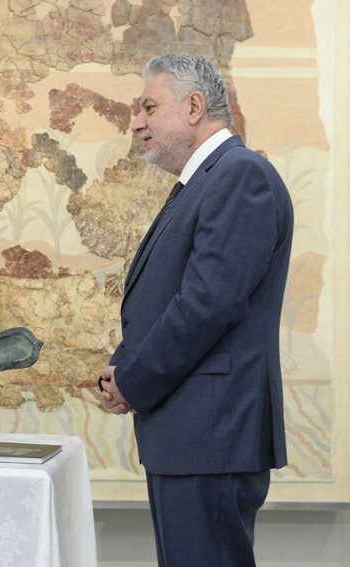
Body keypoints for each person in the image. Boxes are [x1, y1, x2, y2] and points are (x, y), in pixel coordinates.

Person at [99, 53, 293, 566]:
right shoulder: (207, 178)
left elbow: (208, 305)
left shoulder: (239, 175)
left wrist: (134, 380)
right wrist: (124, 367)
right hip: (192, 434)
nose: (135, 122)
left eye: (148, 107)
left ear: (193, 107)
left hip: (211, 433)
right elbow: (174, 297)